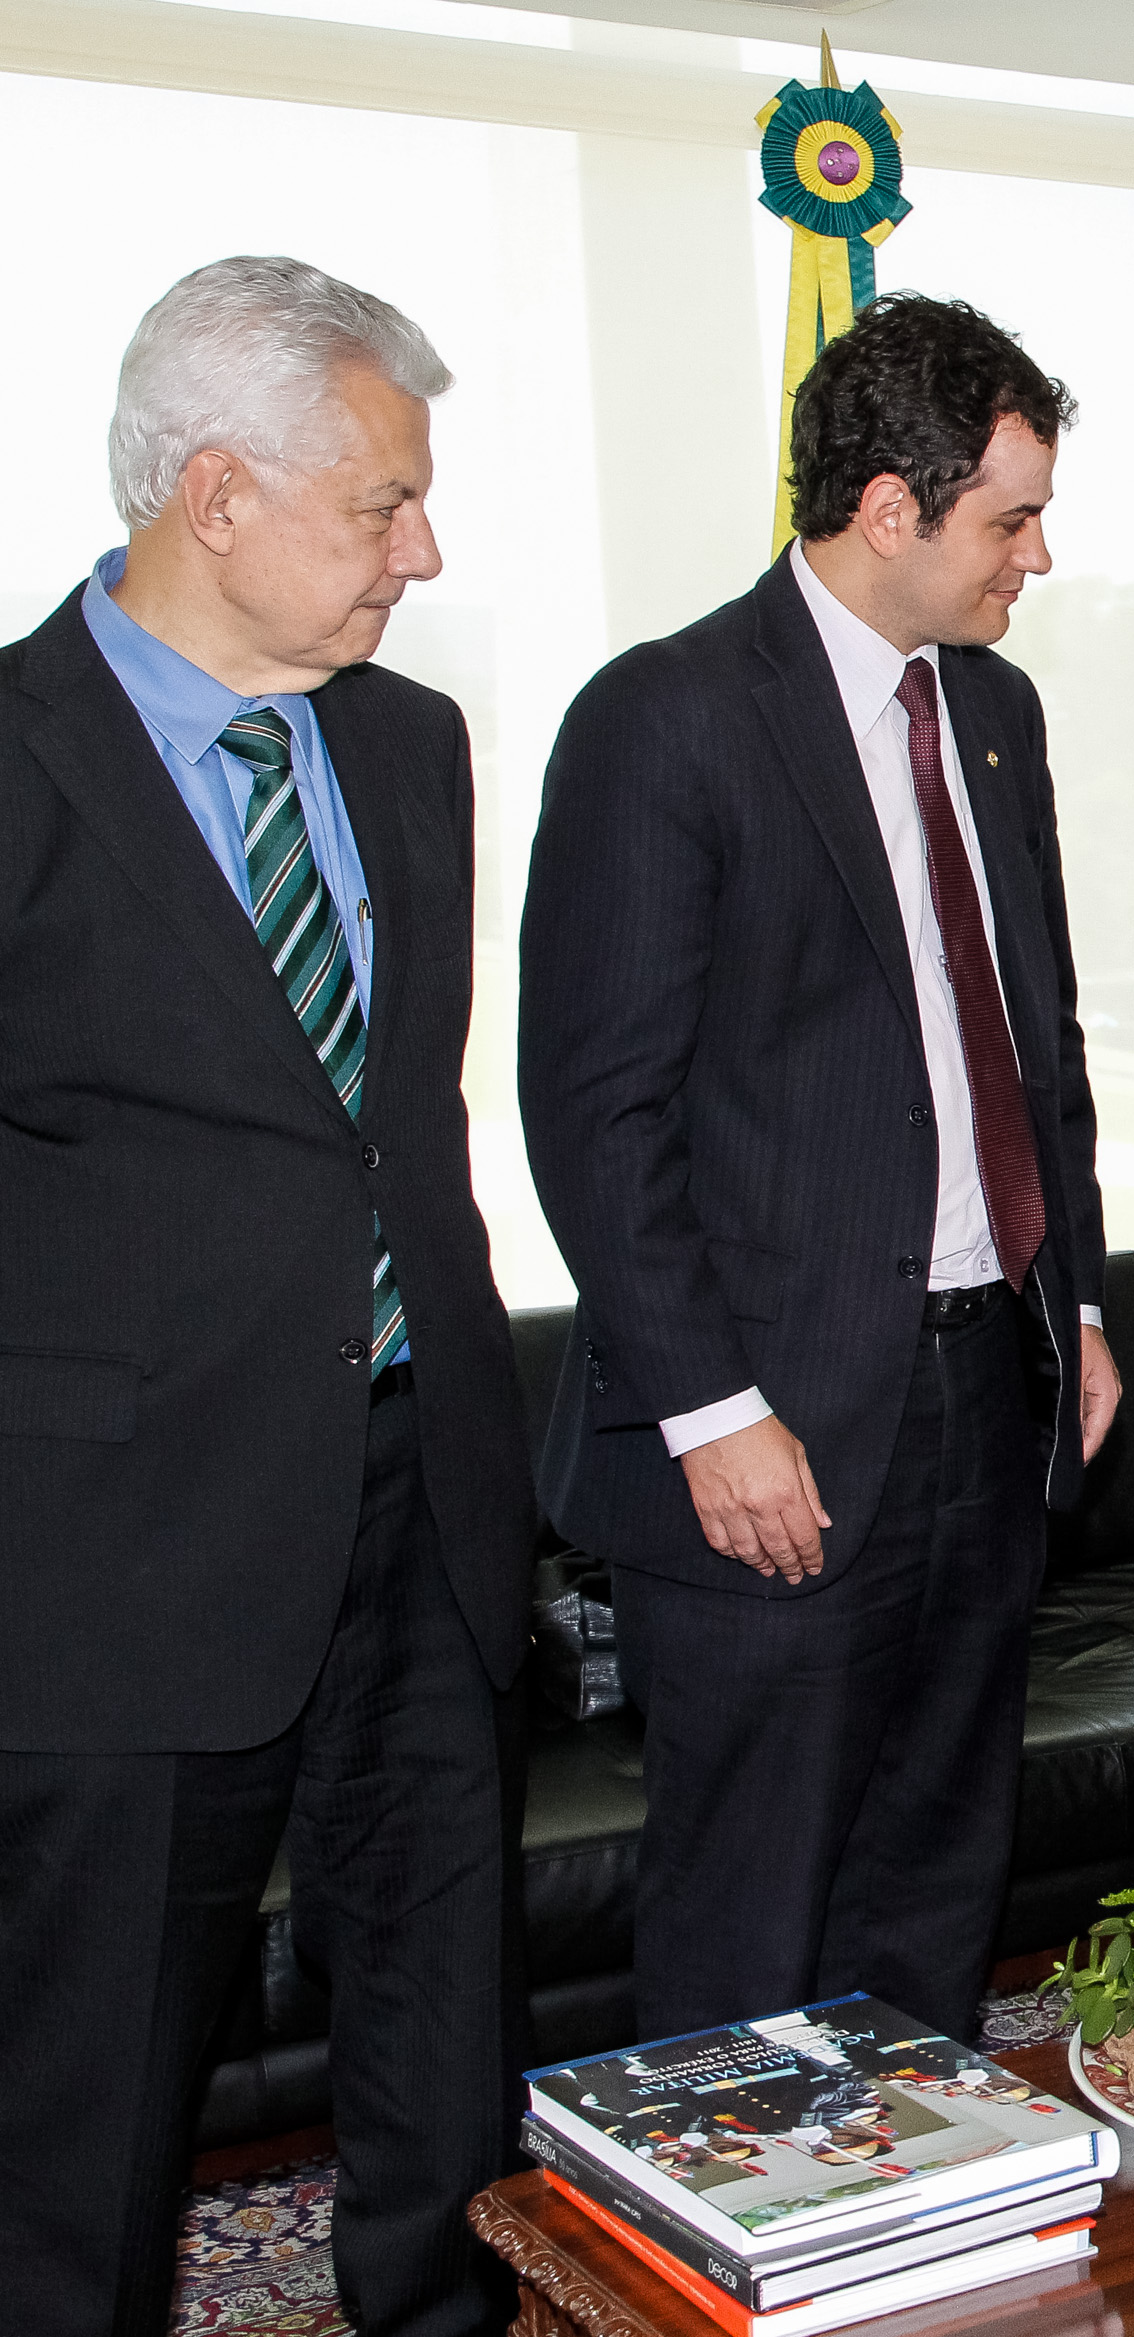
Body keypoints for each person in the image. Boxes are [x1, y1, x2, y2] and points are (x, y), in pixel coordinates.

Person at [0, 257, 537, 2337]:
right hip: (127, 1538)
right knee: (87, 2095)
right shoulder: (21, 760)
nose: (424, 550)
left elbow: (401, 1124)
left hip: (420, 1490)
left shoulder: (408, 743)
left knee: (437, 2033)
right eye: (380, 506)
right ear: (214, 494)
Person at [521, 293, 1118, 2049]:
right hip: (774, 1420)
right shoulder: (668, 717)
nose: (1040, 553)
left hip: (982, 1388)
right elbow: (596, 1110)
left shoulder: (992, 713)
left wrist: (1065, 1307)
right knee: (755, 1902)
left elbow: (1041, 1053)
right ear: (886, 507)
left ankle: (905, 2229)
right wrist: (711, 1410)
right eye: (1010, 517)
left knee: (939, 1867)